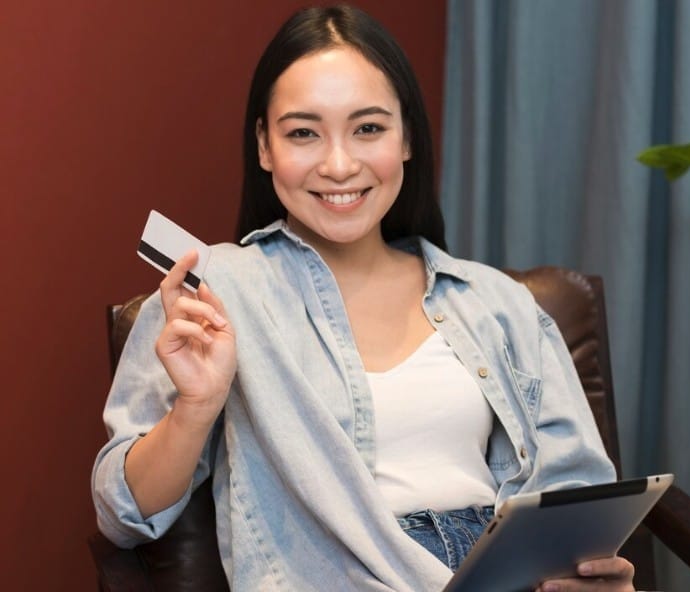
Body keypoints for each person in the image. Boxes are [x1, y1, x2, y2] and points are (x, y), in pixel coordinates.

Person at [92, 5, 634, 591]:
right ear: (265, 146)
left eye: (368, 128)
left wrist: (593, 575)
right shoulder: (211, 291)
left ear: (405, 138)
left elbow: (577, 491)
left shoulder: (497, 302)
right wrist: (194, 409)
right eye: (303, 132)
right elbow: (125, 517)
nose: (339, 164)